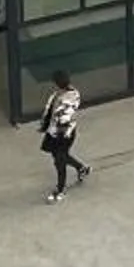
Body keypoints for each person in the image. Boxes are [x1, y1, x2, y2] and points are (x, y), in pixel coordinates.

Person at [37, 71, 91, 202]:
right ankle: (81, 168)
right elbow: (49, 111)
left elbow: (65, 115)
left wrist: (56, 122)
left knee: (59, 160)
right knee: (59, 157)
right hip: (54, 131)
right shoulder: (56, 95)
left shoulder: (72, 96)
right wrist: (45, 124)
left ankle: (60, 188)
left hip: (65, 133)